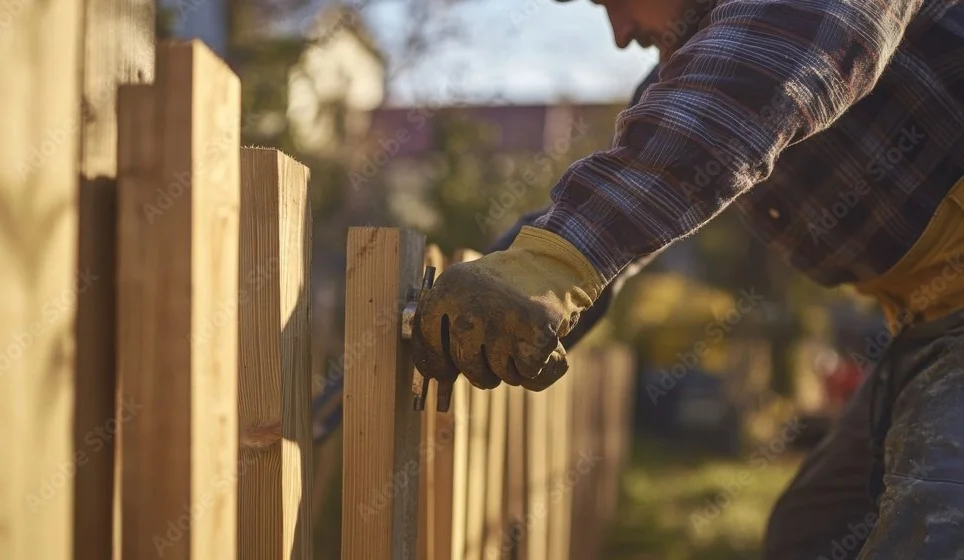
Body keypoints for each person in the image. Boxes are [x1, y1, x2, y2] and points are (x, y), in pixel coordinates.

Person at [410, 0, 964, 557]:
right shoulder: (689, 82)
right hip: (927, 323)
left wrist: (559, 262)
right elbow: (627, 198)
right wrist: (489, 293)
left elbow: (765, 67)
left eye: (615, 2)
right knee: (809, 537)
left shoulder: (754, 57)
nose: (620, 34)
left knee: (930, 535)